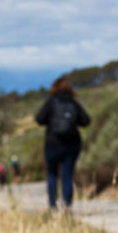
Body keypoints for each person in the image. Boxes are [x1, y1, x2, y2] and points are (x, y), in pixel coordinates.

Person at [34, 77, 91, 212]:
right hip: (72, 145)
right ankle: (67, 205)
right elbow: (86, 120)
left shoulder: (51, 102)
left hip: (53, 143)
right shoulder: (74, 103)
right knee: (67, 175)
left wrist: (51, 122)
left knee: (52, 174)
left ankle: (52, 206)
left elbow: (39, 119)